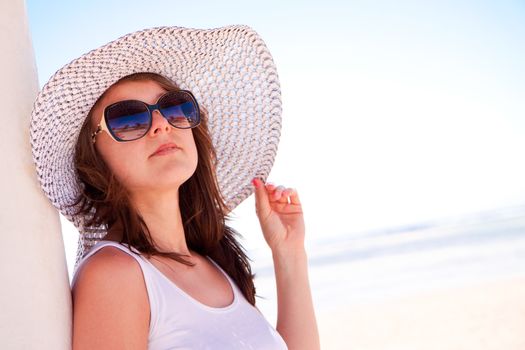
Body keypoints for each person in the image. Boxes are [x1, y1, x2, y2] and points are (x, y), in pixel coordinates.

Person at [29, 25, 319, 349]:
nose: (161, 124)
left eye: (173, 108)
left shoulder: (216, 263)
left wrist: (289, 252)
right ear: (94, 159)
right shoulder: (114, 275)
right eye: (128, 120)